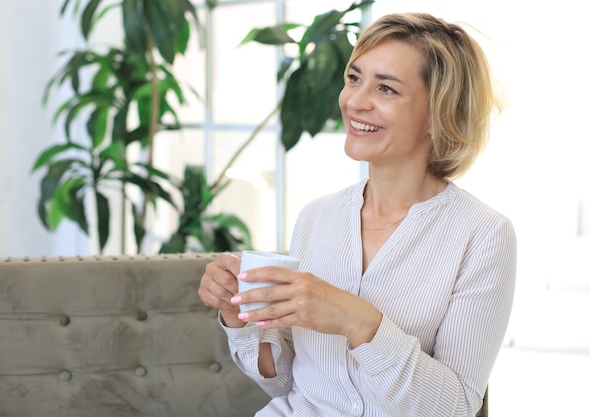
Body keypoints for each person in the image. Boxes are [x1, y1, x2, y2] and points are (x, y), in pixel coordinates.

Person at [198, 11, 516, 417]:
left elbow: (454, 408)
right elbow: (284, 382)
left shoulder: (483, 234)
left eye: (385, 88)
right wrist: (238, 313)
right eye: (354, 78)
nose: (355, 101)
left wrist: (361, 323)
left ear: (438, 114)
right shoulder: (317, 216)